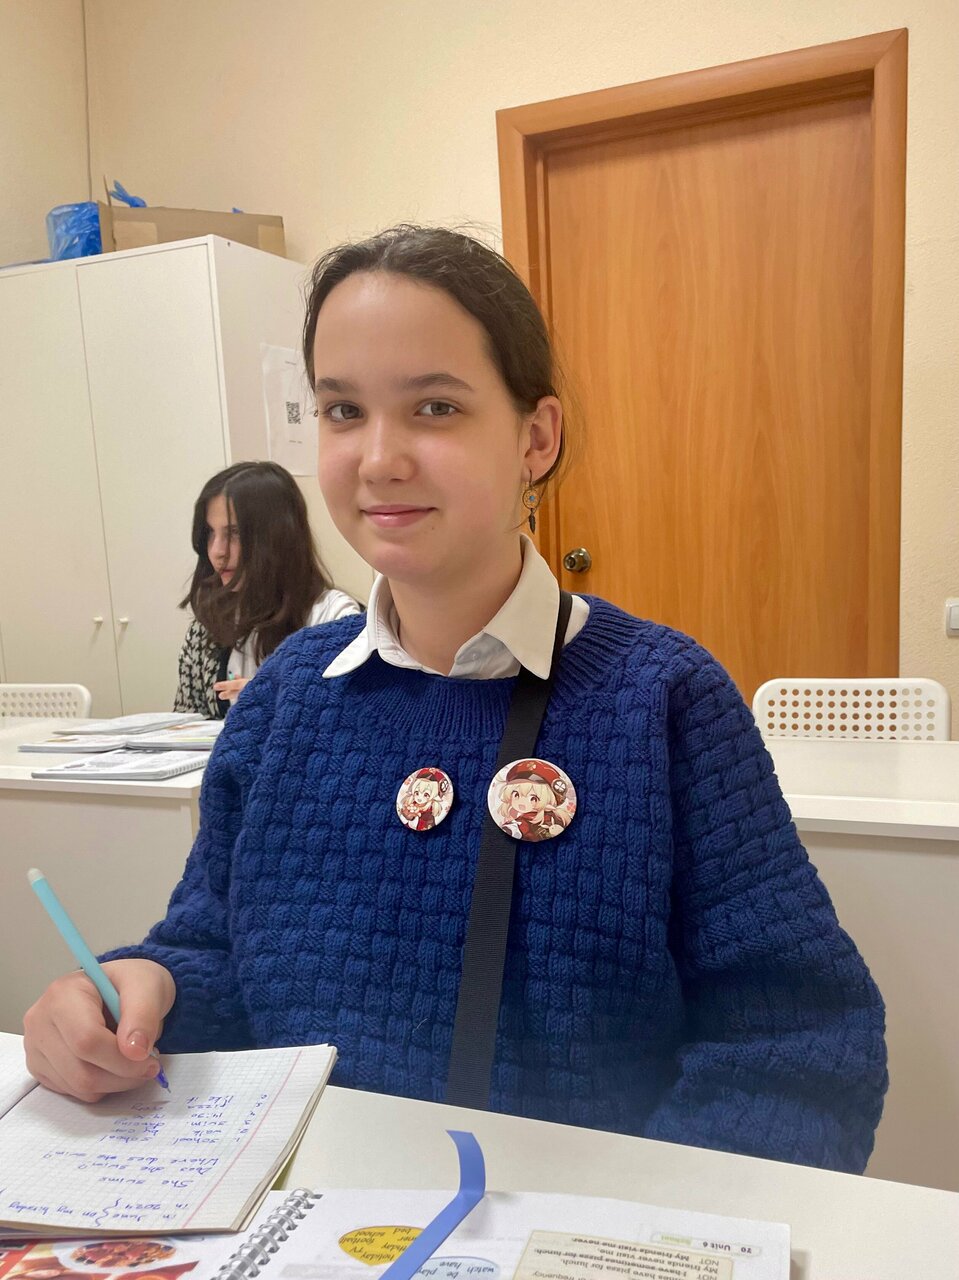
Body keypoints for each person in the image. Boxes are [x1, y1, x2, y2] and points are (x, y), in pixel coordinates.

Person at [24, 225, 887, 1173]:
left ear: (534, 437)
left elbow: (795, 1044)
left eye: (434, 407)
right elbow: (216, 954)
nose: (377, 458)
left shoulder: (662, 699)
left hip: (572, 1227)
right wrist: (137, 989)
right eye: (343, 410)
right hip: (309, 1216)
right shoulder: (282, 703)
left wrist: (643, 1228)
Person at [172, 460, 360, 717]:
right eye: (210, 533)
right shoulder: (207, 628)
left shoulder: (333, 619)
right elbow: (184, 721)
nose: (217, 551)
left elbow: (350, 721)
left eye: (234, 533)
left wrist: (275, 699)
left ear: (278, 538)